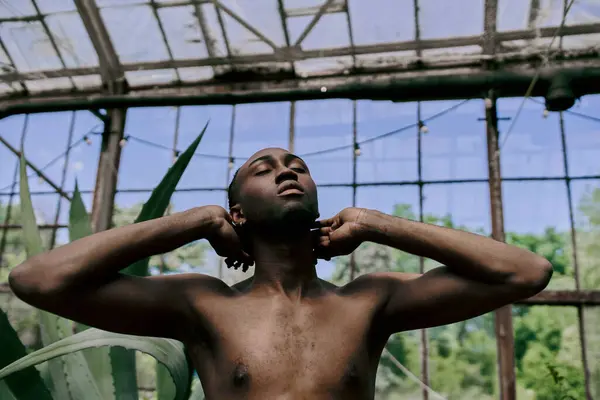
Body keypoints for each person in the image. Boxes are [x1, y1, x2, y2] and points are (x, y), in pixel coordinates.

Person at [9, 147, 552, 400]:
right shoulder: (203, 304)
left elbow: (525, 272)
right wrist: (199, 220)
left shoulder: (369, 301)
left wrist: (374, 223)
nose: (287, 171)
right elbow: (37, 280)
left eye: (297, 167)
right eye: (262, 170)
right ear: (237, 210)